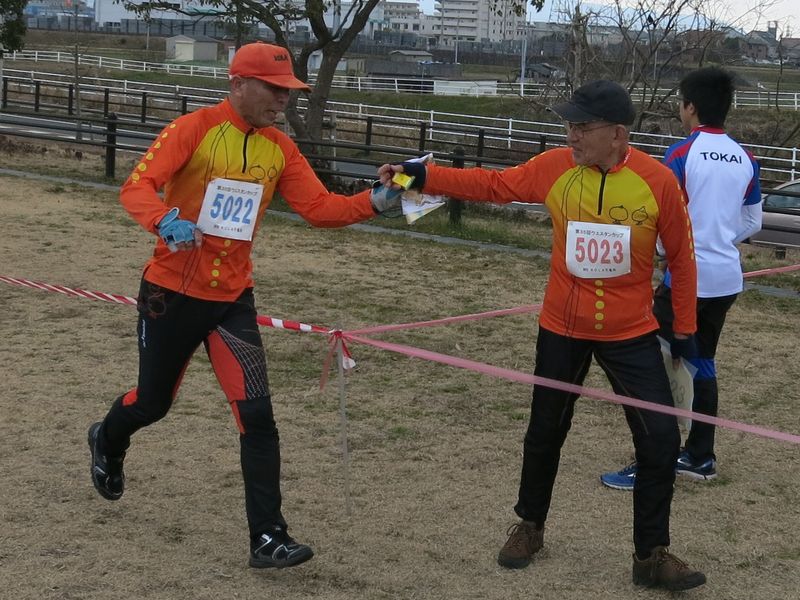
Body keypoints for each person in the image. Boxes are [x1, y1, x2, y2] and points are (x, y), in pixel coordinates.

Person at [379, 80, 706, 591]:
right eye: (569, 125)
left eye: (583, 127)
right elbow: (492, 185)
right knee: (545, 430)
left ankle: (651, 555)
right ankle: (529, 526)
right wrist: (419, 175)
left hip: (631, 331)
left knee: (660, 438)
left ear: (618, 134)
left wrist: (684, 329)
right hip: (562, 326)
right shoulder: (554, 167)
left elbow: (682, 260)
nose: (571, 135)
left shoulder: (658, 181)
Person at [87, 42, 401, 569]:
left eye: (288, 91)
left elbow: (319, 208)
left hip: (232, 300)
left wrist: (376, 200)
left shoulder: (280, 148)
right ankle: (107, 438)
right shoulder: (193, 129)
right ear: (238, 84)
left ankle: (268, 537)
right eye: (274, 89)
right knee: (153, 404)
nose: (283, 100)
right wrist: (164, 220)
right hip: (170, 293)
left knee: (257, 416)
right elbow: (137, 187)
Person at [600, 67, 762, 491]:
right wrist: (719, 238)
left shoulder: (681, 154)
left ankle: (654, 459)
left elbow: (659, 213)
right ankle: (700, 456)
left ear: (690, 107)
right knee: (702, 362)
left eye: (680, 102)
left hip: (686, 280)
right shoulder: (746, 158)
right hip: (726, 280)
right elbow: (753, 221)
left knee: (650, 364)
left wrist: (669, 248)